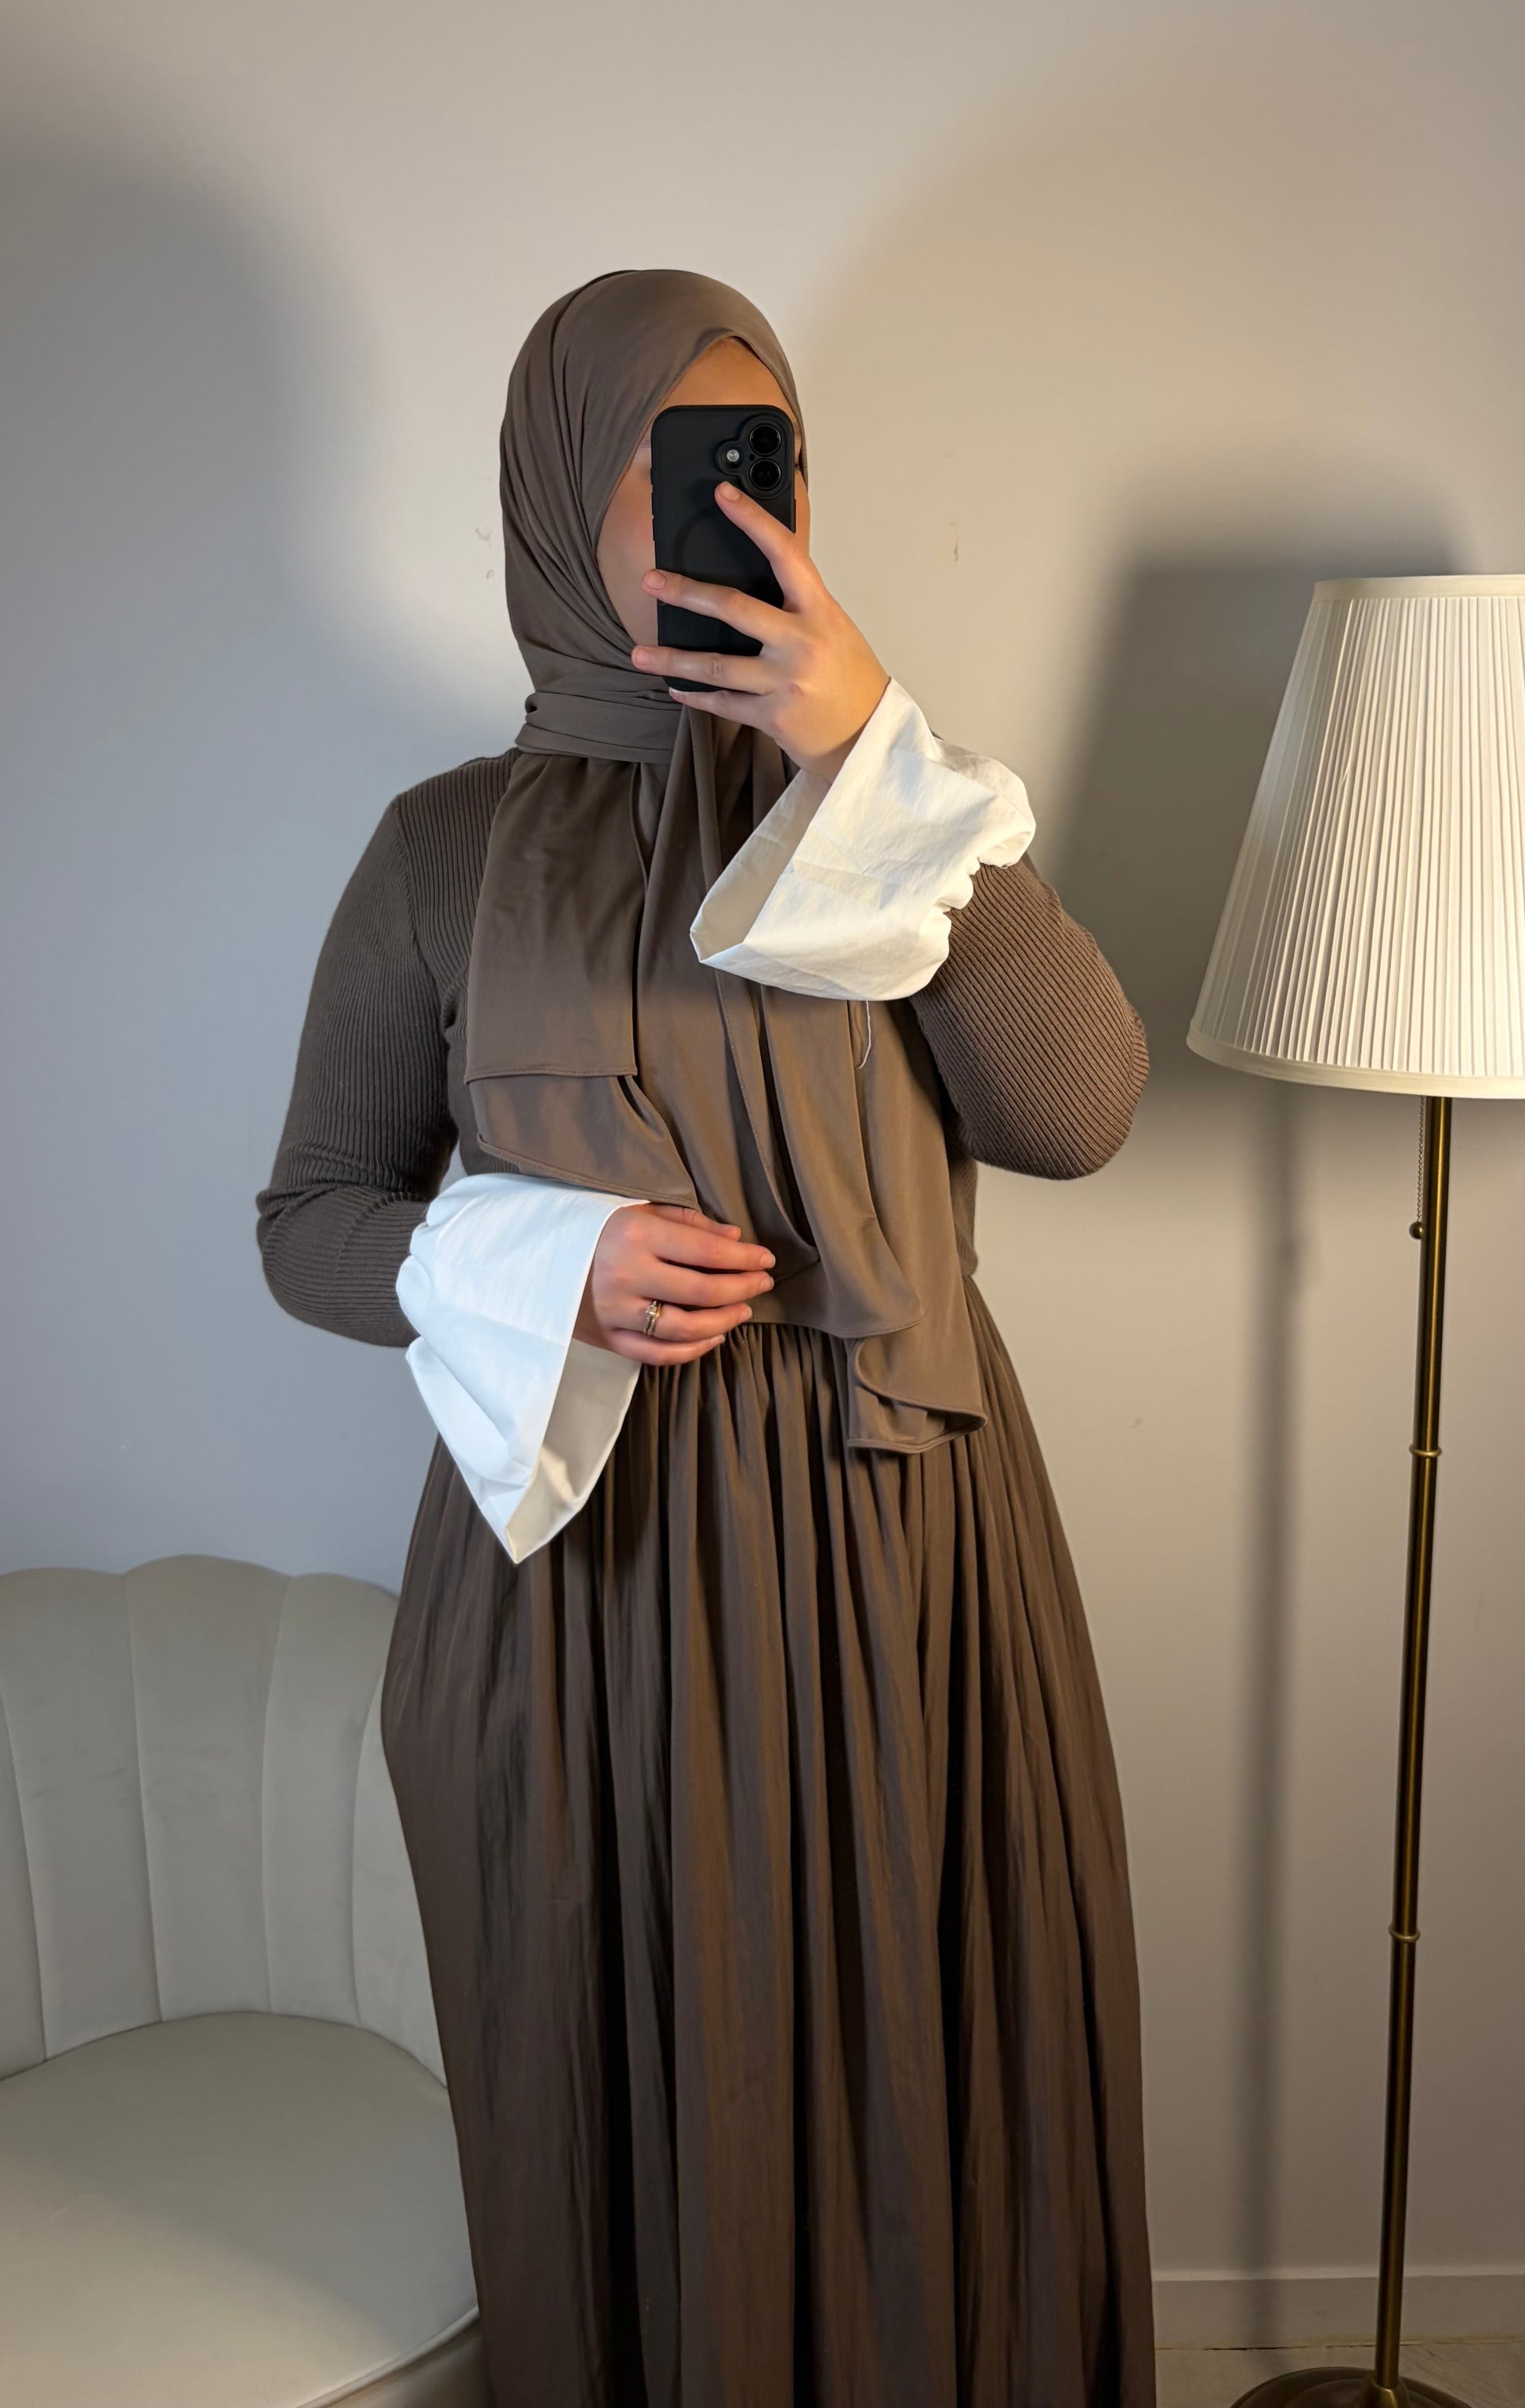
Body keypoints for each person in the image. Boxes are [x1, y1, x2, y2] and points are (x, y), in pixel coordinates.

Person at [257, 268, 1154, 2408]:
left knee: (935, 2103)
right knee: (637, 2136)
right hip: (594, 1597)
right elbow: (310, 1223)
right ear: (567, 499)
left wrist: (864, 743)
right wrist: (546, 1262)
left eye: (771, 464)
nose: (735, 515)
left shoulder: (896, 807)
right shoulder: (444, 856)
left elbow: (1079, 1110)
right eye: (679, 467)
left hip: (904, 1565)